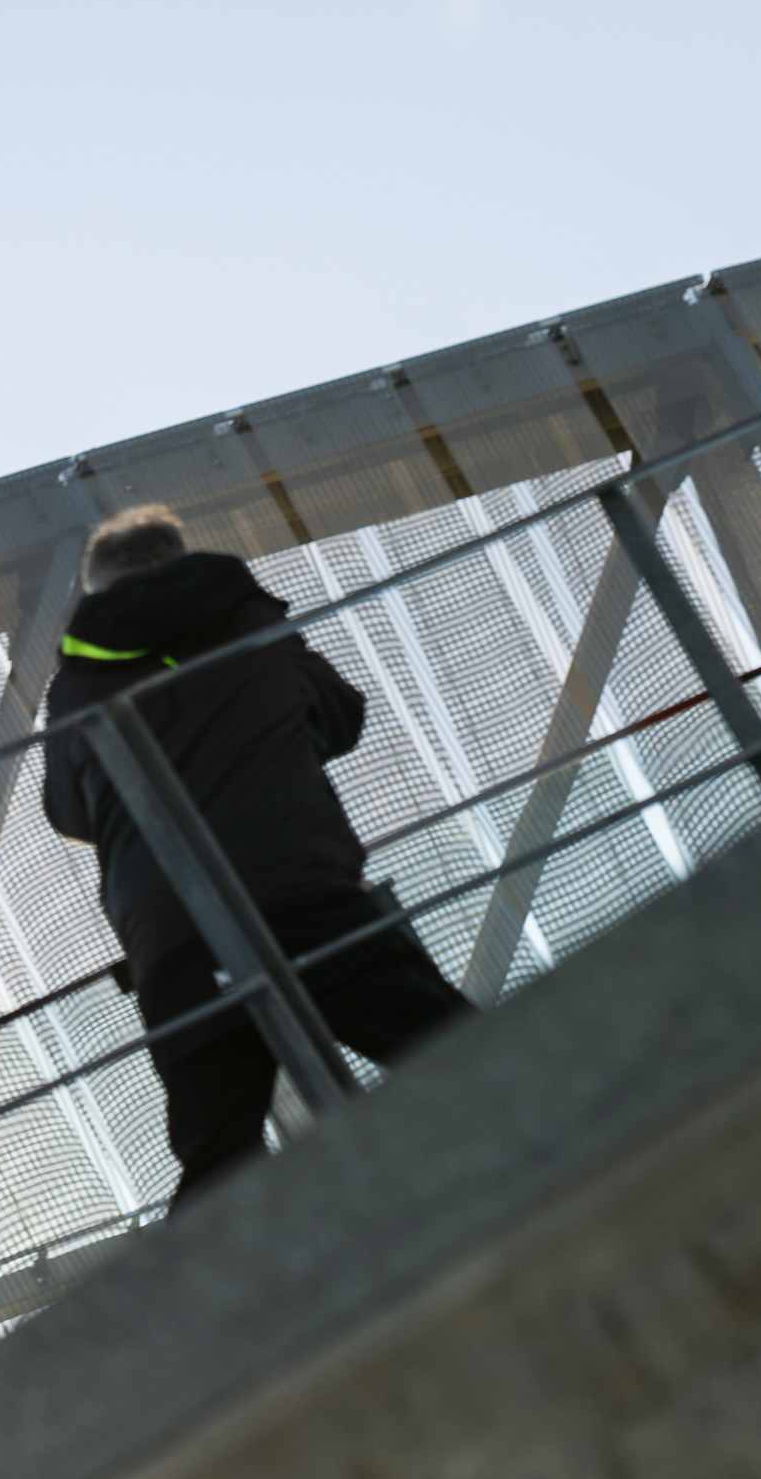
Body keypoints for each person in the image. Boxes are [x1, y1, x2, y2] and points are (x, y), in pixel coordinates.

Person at [38, 506, 472, 1198]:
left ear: (97, 589)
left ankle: (218, 1301)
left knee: (218, 1160)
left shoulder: (75, 686)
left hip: (174, 941)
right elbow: (342, 715)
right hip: (296, 891)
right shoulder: (249, 622)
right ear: (178, 557)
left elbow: (67, 810)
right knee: (464, 1052)